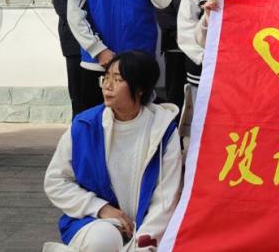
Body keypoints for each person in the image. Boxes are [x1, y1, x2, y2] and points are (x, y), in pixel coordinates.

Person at [43, 51, 182, 252]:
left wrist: (143, 240)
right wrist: (99, 208)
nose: (107, 86)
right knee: (102, 240)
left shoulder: (163, 130)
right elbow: (56, 181)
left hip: (149, 224)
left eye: (117, 79)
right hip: (96, 221)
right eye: (106, 78)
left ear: (140, 88)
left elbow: (166, 197)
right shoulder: (85, 126)